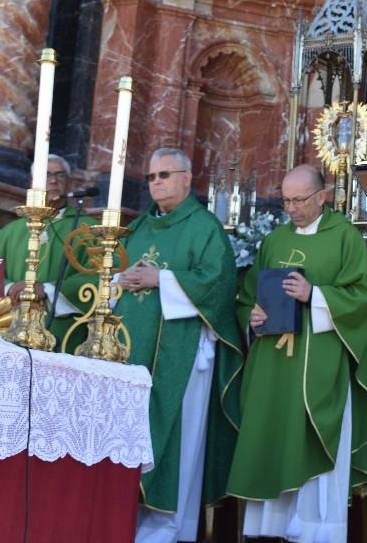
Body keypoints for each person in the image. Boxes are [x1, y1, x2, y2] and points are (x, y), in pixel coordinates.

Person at [228, 165, 367, 542]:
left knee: (314, 439)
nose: (291, 208)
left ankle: (317, 532)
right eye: (285, 200)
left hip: (319, 363)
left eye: (299, 200)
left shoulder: (345, 238)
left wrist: (314, 295)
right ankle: (271, 529)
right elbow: (249, 294)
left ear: (322, 196)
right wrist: (252, 314)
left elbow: (365, 301)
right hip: (273, 363)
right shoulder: (275, 241)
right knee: (272, 435)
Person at [116, 147, 243, 543]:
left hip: (182, 352)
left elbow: (219, 284)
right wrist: (121, 279)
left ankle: (170, 529)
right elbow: (116, 273)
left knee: (177, 439)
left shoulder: (206, 228)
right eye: (152, 176)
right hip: (131, 349)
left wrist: (162, 280)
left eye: (164, 175)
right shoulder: (137, 229)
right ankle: (124, 520)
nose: (156, 182)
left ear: (187, 178)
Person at [0, 154, 95, 351]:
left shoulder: (87, 230)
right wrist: (10, 288)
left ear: (69, 184)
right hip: (8, 326)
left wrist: (48, 290)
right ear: (33, 184)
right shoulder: (10, 232)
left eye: (60, 176)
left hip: (61, 331)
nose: (53, 180)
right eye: (46, 175)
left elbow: (99, 277)